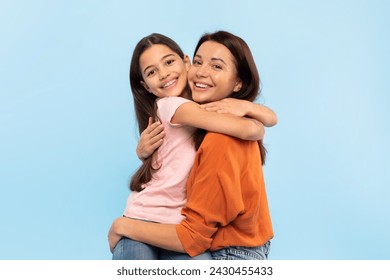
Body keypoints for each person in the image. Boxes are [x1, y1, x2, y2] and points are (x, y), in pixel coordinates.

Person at [109, 31, 275, 260]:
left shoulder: (217, 127)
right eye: (200, 62)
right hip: (151, 219)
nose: (164, 73)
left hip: (197, 235)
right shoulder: (176, 107)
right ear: (145, 85)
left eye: (216, 66)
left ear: (183, 62)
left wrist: (247, 111)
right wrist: (253, 120)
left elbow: (193, 236)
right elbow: (253, 129)